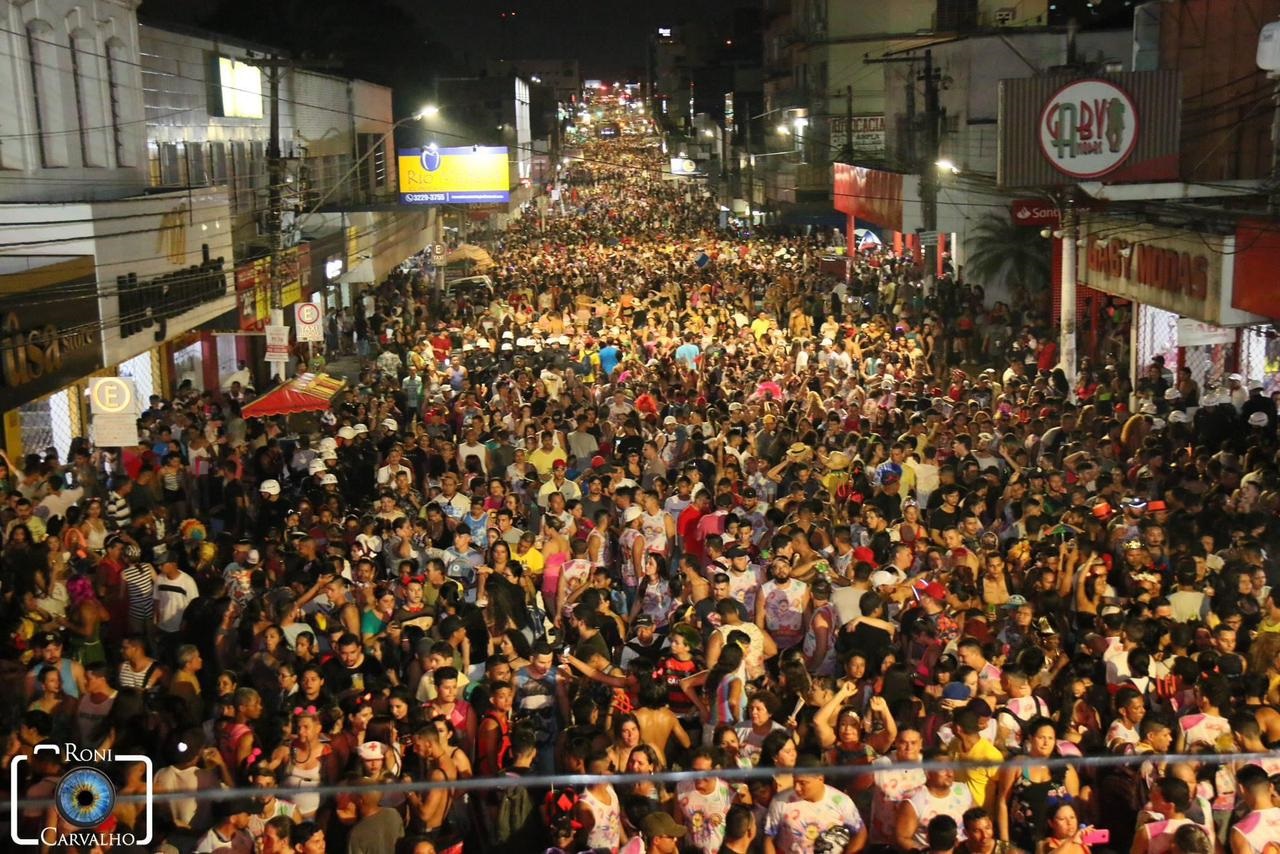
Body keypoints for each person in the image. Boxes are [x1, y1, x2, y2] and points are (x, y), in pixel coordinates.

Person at [764, 753, 866, 854]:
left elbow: (860, 832)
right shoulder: (781, 801)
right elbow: (769, 838)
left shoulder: (841, 801)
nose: (797, 788)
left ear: (820, 779)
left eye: (803, 783)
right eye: (795, 781)